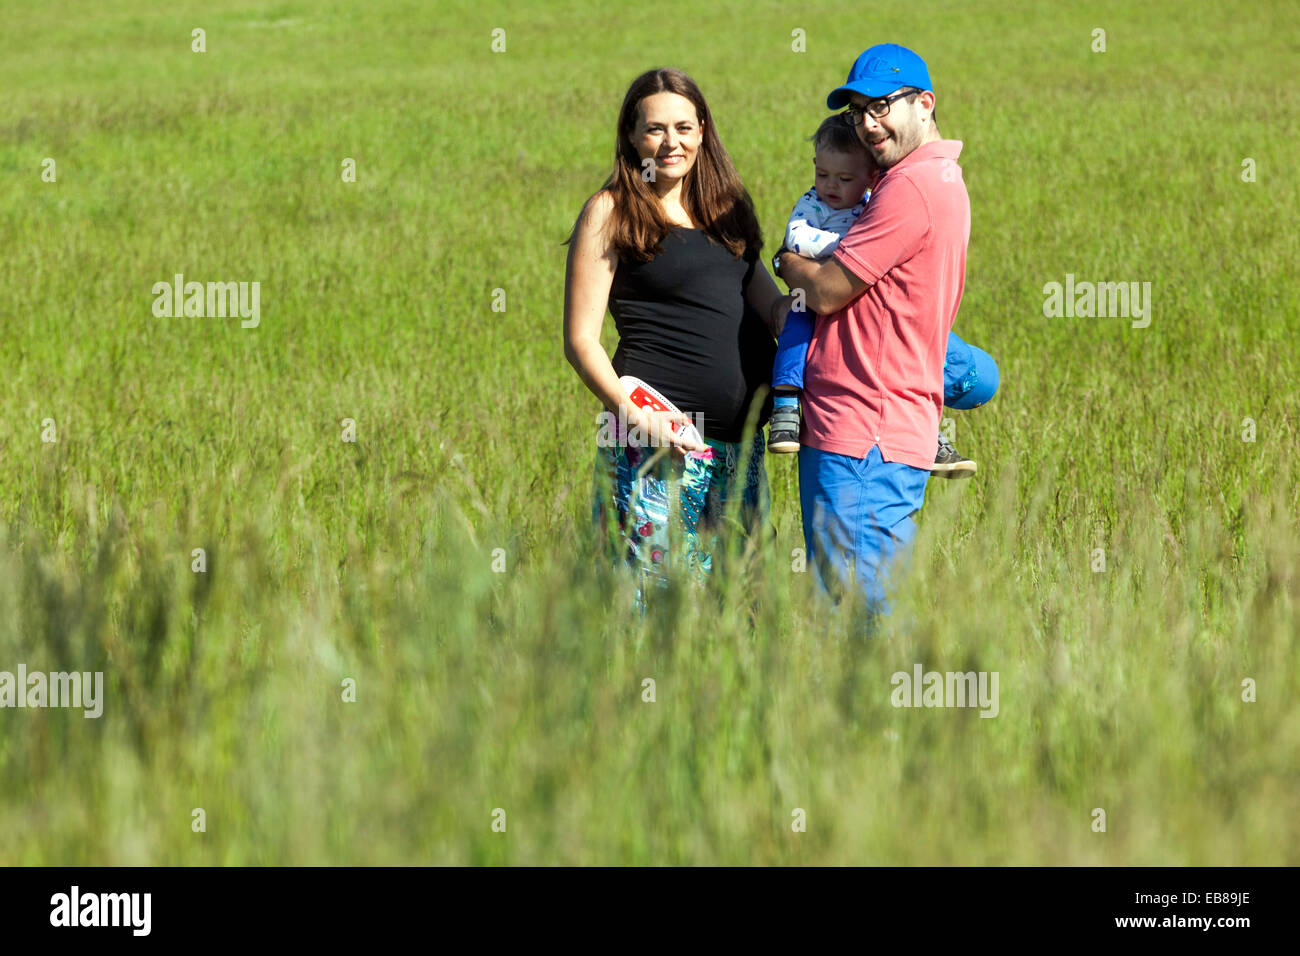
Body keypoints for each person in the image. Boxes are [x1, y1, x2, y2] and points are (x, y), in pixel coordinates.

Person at [775, 43, 997, 617]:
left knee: (853, 615)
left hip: (862, 430)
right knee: (859, 607)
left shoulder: (909, 190)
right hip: (876, 429)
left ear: (924, 105)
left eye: (882, 107)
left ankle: (874, 709)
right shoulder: (929, 179)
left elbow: (825, 291)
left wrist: (785, 263)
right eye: (857, 112)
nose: (868, 125)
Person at [563, 67, 792, 604]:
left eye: (685, 128)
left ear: (704, 129)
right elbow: (580, 340)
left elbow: (777, 312)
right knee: (651, 609)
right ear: (631, 136)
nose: (672, 143)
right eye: (656, 129)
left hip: (740, 446)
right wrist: (638, 417)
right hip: (654, 445)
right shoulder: (611, 211)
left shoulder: (725, 213)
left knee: (739, 604)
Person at [768, 115, 997, 478]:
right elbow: (796, 238)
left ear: (871, 177)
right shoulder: (812, 204)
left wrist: (858, 257)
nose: (831, 186)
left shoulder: (881, 201)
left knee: (922, 363)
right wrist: (849, 251)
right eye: (823, 175)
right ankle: (785, 404)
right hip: (818, 291)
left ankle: (927, 435)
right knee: (797, 326)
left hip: (869, 299)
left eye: (845, 179)